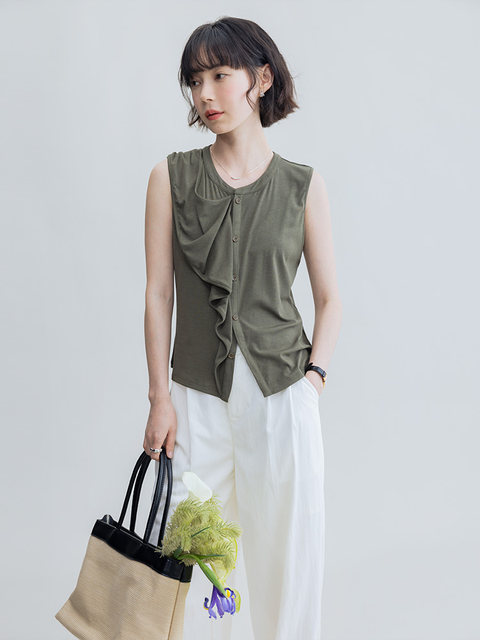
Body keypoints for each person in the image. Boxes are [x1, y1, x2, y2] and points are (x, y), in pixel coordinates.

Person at [143, 16, 342, 640]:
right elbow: (158, 294)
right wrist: (159, 398)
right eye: (194, 80)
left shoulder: (303, 186)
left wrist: (312, 383)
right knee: (200, 569)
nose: (204, 94)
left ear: (261, 79)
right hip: (195, 399)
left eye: (219, 76)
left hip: (282, 393)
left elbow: (330, 298)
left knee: (288, 564)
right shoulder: (169, 178)